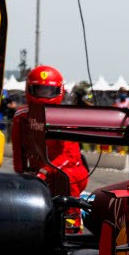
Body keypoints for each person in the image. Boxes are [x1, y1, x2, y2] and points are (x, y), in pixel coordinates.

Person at [11, 65, 90, 228]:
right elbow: (18, 150)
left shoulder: (65, 118)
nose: (43, 95)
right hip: (39, 171)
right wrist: (19, 175)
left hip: (69, 171)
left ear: (58, 91)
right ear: (30, 88)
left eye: (47, 91)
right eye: (39, 90)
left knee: (66, 178)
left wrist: (45, 171)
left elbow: (70, 156)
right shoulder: (21, 116)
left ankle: (72, 223)